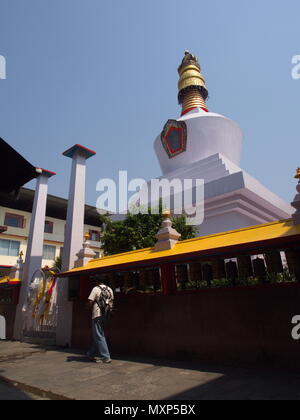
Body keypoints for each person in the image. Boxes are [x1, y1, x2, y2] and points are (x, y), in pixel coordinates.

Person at [86, 280, 114, 364]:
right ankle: (90, 354)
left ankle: (106, 357)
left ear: (97, 282)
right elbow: (111, 302)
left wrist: (87, 307)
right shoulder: (110, 289)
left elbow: (90, 301)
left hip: (97, 314)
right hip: (105, 315)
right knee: (97, 335)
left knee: (99, 335)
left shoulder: (95, 289)